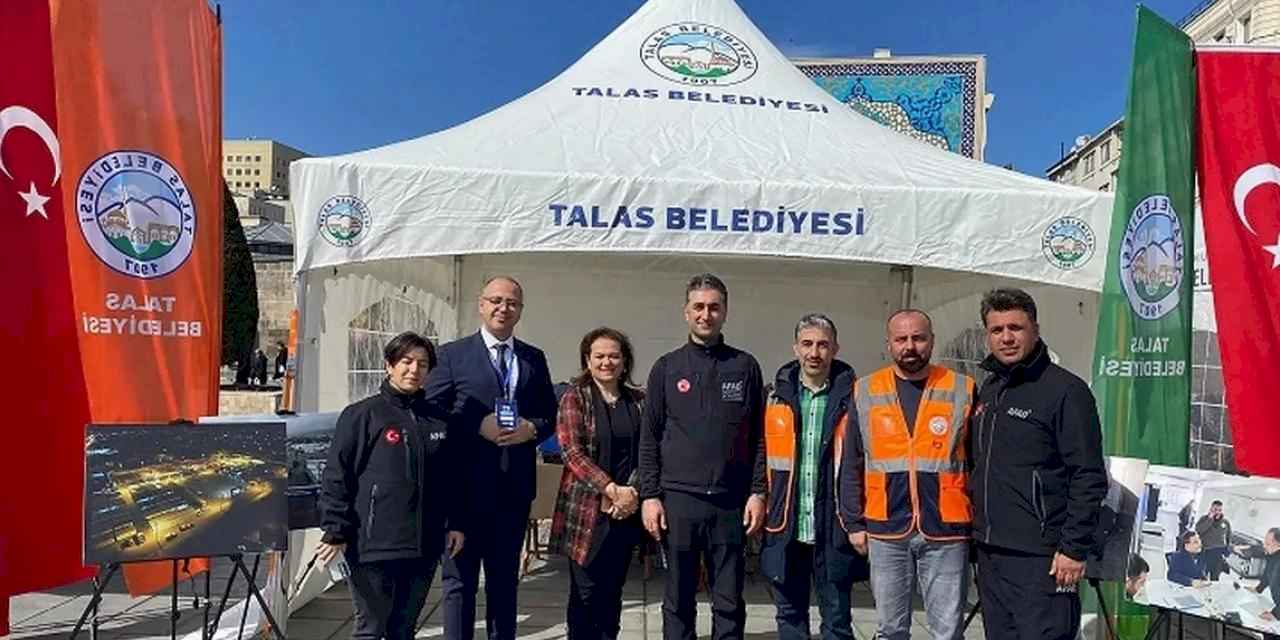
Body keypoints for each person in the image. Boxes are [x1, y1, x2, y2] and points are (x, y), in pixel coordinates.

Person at [423, 275, 558, 640]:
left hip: (512, 491)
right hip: (463, 493)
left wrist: (533, 429)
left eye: (512, 302)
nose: (503, 308)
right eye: (496, 300)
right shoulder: (451, 355)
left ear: (520, 310)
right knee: (459, 585)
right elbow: (431, 412)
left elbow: (549, 413)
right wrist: (474, 425)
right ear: (481, 305)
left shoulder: (533, 358)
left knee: (504, 585)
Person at [969, 288, 1108, 640]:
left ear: (1035, 329)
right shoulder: (990, 389)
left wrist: (1073, 549)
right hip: (991, 551)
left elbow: (1087, 475)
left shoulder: (1065, 391)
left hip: (1042, 557)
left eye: (1016, 327)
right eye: (997, 330)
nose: (1006, 338)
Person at [638, 273, 767, 640]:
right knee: (678, 597)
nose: (706, 314)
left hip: (729, 502)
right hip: (679, 500)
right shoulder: (667, 367)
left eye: (714, 307)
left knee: (728, 598)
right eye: (699, 306)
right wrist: (650, 495)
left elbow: (759, 436)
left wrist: (758, 491)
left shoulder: (744, 366)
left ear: (725, 311)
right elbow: (649, 438)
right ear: (686, 312)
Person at [316, 331, 467, 640]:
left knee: (403, 629)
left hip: (423, 545)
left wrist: (456, 523)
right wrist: (335, 530)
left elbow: (453, 479)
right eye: (406, 362)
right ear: (389, 365)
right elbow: (337, 475)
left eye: (422, 364)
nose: (414, 370)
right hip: (373, 545)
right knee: (371, 629)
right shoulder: (362, 415)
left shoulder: (439, 420)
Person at [840, 309, 975, 640]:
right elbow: (851, 462)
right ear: (889, 344)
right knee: (890, 630)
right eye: (901, 339)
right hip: (887, 528)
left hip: (946, 529)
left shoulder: (963, 388)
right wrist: (854, 523)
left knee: (947, 631)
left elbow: (978, 462)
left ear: (932, 341)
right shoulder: (865, 390)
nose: (910, 346)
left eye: (918, 338)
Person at [762, 313, 865, 640]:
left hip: (832, 524)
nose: (814, 352)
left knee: (836, 619)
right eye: (807, 344)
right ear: (795, 348)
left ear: (835, 348)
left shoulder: (857, 397)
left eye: (822, 344)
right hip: (786, 523)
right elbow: (759, 454)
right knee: (789, 616)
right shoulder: (774, 396)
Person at [549, 327, 646, 640]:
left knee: (613, 590)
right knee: (586, 592)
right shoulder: (574, 397)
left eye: (614, 356)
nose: (607, 362)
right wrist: (611, 489)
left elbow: (649, 451)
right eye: (599, 356)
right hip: (588, 512)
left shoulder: (638, 401)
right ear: (587, 361)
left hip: (626, 509)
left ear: (625, 360)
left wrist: (631, 491)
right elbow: (571, 452)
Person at [1195, 500, 1234, 580]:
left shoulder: (1225, 522)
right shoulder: (1204, 519)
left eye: (1219, 510)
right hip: (1205, 553)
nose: (1217, 512)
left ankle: (1213, 591)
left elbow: (1228, 538)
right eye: (1215, 510)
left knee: (1215, 578)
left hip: (1218, 555)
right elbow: (1199, 530)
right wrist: (1210, 519)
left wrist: (1227, 552)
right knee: (1201, 576)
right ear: (1211, 509)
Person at [1253, 528, 1280, 626]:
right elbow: (1267, 574)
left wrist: (1276, 614)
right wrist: (1258, 589)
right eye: (1265, 542)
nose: (1264, 546)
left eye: (1268, 544)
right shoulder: (1272, 555)